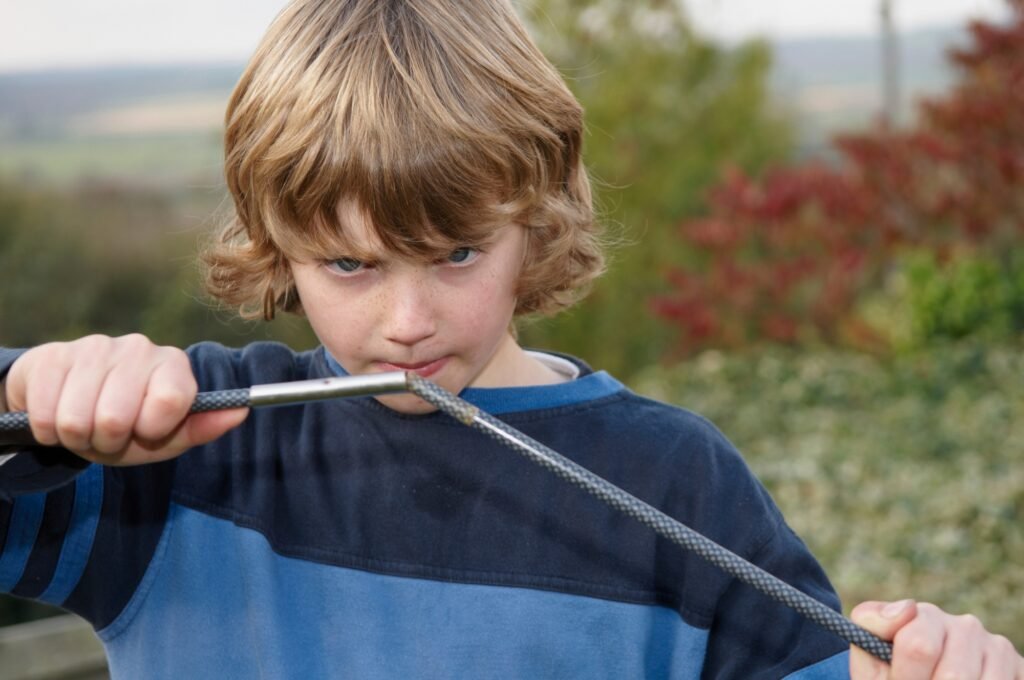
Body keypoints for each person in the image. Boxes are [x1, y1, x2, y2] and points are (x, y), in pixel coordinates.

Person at [0, 1, 1020, 677]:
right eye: (348, 266)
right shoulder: (189, 444)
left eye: (453, 254)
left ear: (534, 219)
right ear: (276, 248)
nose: (404, 322)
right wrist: (38, 394)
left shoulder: (676, 480)